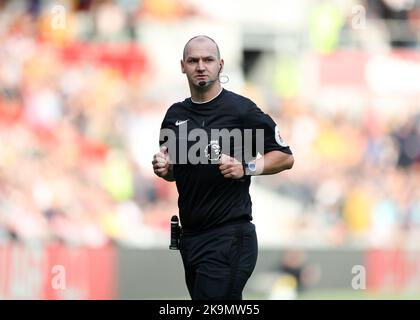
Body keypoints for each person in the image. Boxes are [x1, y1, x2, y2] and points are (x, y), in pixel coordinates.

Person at [152, 35, 294, 300]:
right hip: (191, 238)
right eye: (193, 60)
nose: (201, 66)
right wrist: (165, 168)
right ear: (183, 66)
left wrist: (246, 166)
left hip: (229, 236)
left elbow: (285, 156)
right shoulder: (174, 116)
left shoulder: (241, 110)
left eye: (208, 60)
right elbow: (175, 173)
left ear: (221, 64)